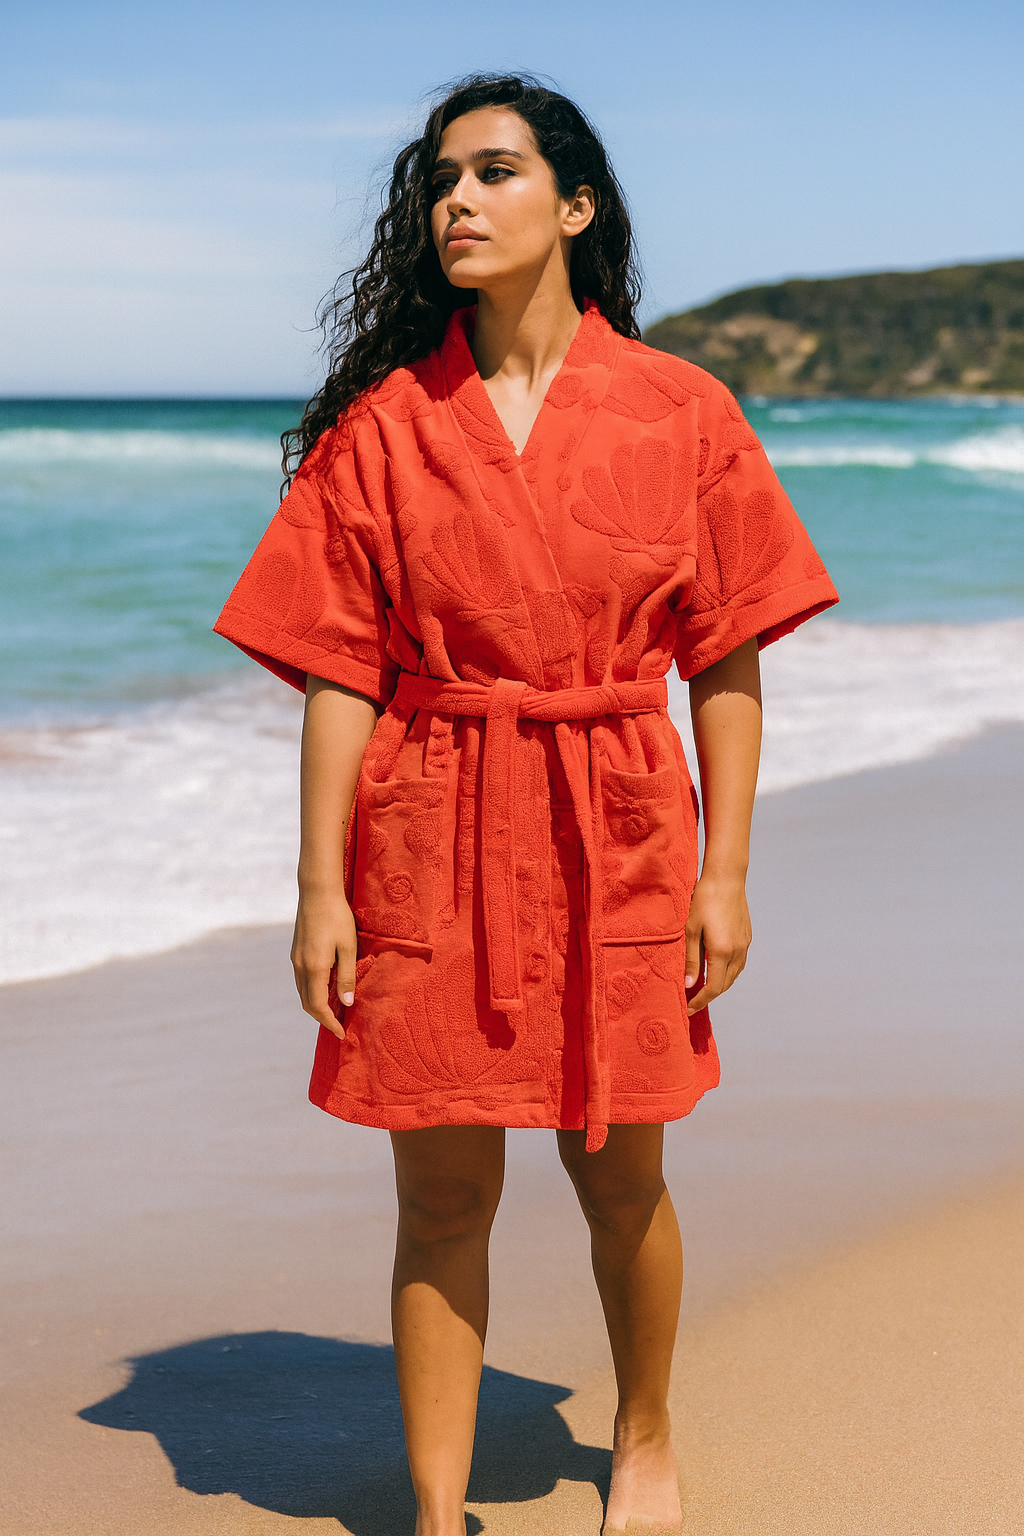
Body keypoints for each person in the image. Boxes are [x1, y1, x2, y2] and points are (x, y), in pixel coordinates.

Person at [215, 73, 838, 1536]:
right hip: (430, 828)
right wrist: (319, 888)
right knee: (440, 1196)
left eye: (493, 172)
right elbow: (340, 669)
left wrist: (727, 871)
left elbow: (724, 656)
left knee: (621, 1178)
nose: (456, 201)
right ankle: (437, 1515)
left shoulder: (681, 411)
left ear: (575, 206)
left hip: (617, 822)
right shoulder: (386, 426)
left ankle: (645, 1431)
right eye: (440, 181)